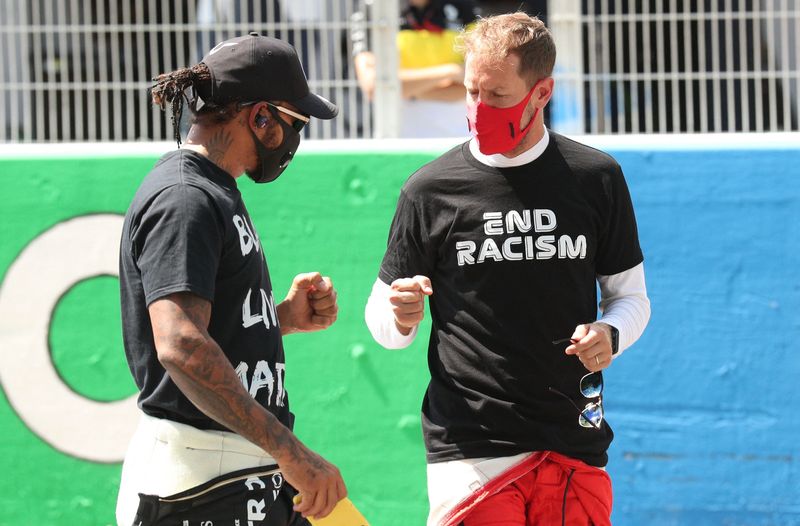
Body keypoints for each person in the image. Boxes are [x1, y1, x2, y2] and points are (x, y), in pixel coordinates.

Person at [364, 13, 651, 526]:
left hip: (573, 442)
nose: (478, 109)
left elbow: (632, 299)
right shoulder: (430, 189)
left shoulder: (596, 178)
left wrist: (612, 332)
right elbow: (383, 327)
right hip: (471, 451)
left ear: (542, 93)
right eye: (471, 91)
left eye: (496, 95)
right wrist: (401, 313)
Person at [117, 33, 347, 526]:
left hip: (235, 478)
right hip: (203, 488)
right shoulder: (186, 198)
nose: (295, 139)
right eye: (295, 122)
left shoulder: (210, 191)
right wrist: (293, 453)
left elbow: (205, 330)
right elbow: (180, 344)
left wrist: (277, 320)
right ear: (260, 117)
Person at [352, 0, 480, 138]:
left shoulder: (464, 6)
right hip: (396, 135)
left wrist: (404, 90)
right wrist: (450, 72)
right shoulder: (372, 7)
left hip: (458, 134)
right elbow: (373, 87)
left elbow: (477, 84)